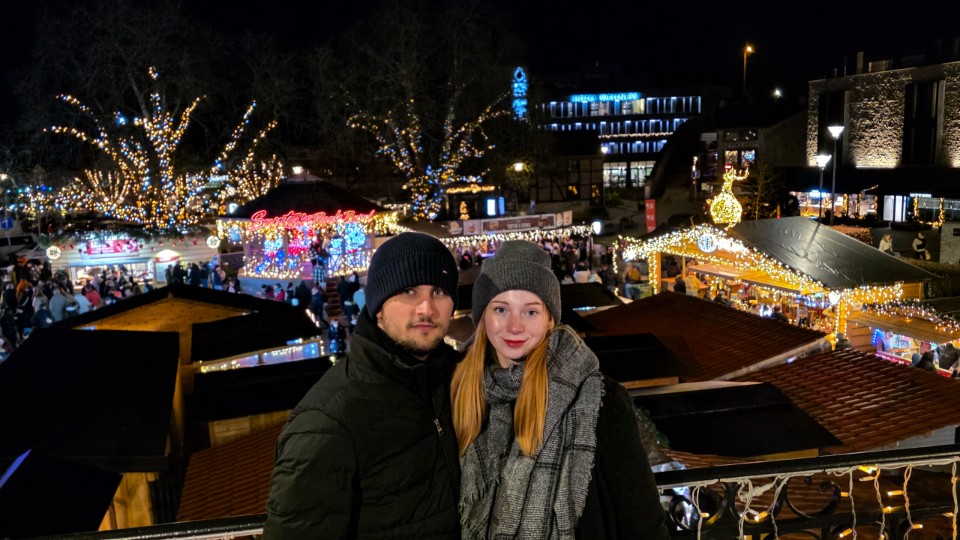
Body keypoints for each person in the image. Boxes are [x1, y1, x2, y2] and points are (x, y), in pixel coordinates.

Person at [452, 240, 669, 539]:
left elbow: (643, 522)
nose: (515, 326)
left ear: (549, 319)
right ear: (482, 317)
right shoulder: (458, 392)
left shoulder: (600, 402)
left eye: (531, 312)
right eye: (500, 309)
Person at [264, 232, 462, 539]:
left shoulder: (460, 380)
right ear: (378, 306)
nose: (426, 308)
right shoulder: (328, 421)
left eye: (438, 291)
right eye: (408, 291)